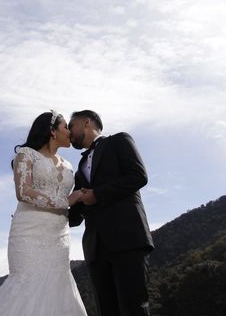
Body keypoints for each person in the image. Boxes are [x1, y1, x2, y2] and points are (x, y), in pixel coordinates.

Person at [0, 110, 87, 316]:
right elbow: (23, 192)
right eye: (65, 127)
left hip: (59, 235)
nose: (70, 132)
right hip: (29, 231)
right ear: (52, 131)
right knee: (27, 281)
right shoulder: (26, 155)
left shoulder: (68, 165)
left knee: (58, 284)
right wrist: (65, 201)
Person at [68, 110, 154, 316]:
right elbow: (75, 215)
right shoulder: (80, 169)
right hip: (95, 249)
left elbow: (138, 176)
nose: (69, 132)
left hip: (127, 239)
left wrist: (97, 194)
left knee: (134, 307)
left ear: (86, 122)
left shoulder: (119, 141)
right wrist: (42, 214)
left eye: (71, 126)